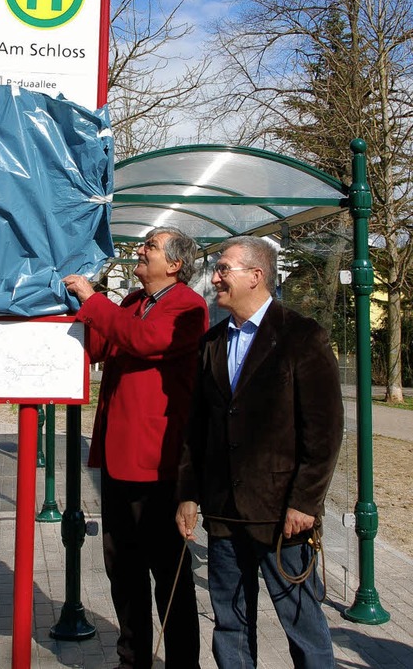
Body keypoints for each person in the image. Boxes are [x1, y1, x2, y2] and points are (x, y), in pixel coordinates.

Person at [176, 235, 343, 669]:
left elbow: (324, 431)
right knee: (229, 625)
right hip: (224, 514)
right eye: (215, 269)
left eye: (223, 269)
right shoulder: (211, 342)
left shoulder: (301, 336)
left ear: (256, 275)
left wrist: (305, 501)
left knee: (302, 625)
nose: (214, 278)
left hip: (281, 517)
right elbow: (198, 428)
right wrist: (189, 494)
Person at [63, 226, 208, 669]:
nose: (139, 251)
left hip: (157, 463)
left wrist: (93, 299)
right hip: (117, 458)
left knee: (168, 574)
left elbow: (145, 341)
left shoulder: (188, 305)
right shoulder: (131, 302)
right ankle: (132, 660)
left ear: (175, 264)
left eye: (149, 246)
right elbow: (103, 343)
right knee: (122, 570)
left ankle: (183, 662)